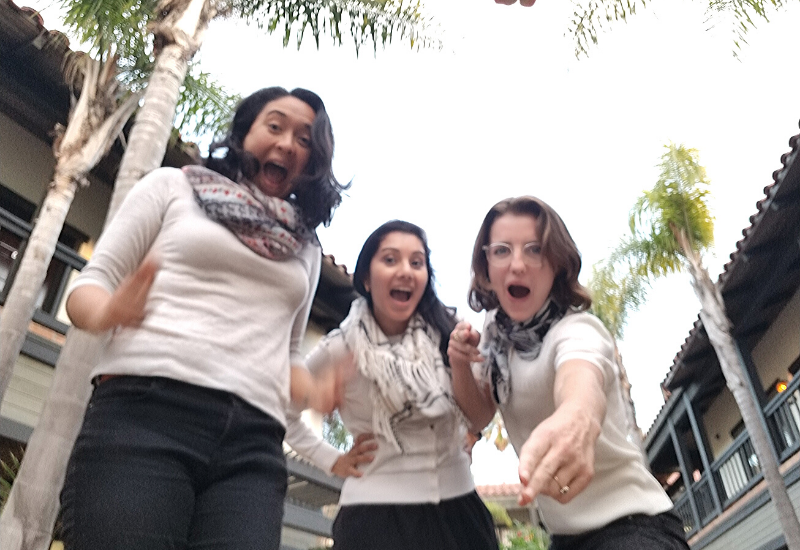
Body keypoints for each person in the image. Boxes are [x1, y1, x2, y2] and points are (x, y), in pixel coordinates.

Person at [59, 86, 346, 550]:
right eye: (275, 126)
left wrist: (313, 390)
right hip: (146, 413)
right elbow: (90, 285)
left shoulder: (305, 247)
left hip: (254, 447)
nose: (289, 143)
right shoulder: (173, 187)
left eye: (305, 139)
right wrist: (111, 311)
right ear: (244, 133)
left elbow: (288, 351)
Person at [448, 196, 689, 550]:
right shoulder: (495, 340)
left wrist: (579, 418)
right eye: (502, 250)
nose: (517, 264)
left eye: (534, 250)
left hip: (633, 527)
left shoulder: (576, 329)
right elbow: (479, 414)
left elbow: (581, 382)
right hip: (564, 538)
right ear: (486, 266)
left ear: (557, 264)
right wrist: (459, 362)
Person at [285, 220, 499, 550]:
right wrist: (332, 459)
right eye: (390, 259)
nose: (405, 270)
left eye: (417, 262)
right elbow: (283, 414)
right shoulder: (341, 346)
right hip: (373, 521)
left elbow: (478, 416)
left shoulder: (449, 333)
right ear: (367, 279)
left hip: (460, 512)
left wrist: (461, 366)